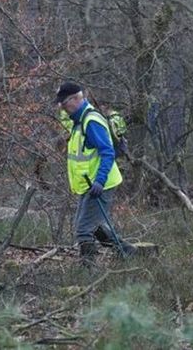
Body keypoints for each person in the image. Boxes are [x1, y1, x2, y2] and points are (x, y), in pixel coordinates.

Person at [56, 81, 132, 261]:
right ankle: (127, 252)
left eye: (64, 103)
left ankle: (88, 271)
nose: (62, 107)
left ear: (76, 99)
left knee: (83, 229)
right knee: (95, 226)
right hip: (90, 184)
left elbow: (107, 152)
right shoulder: (78, 121)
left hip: (100, 183)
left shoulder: (91, 122)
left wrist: (99, 181)